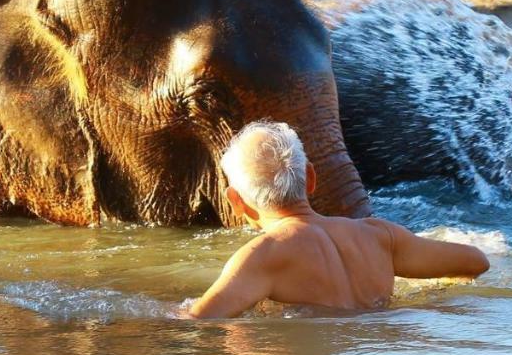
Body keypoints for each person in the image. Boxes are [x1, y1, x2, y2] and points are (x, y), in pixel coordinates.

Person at [187, 121, 490, 318]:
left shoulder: (263, 256)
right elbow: (476, 261)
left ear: (236, 202)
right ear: (310, 179)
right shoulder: (380, 236)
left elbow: (198, 320)